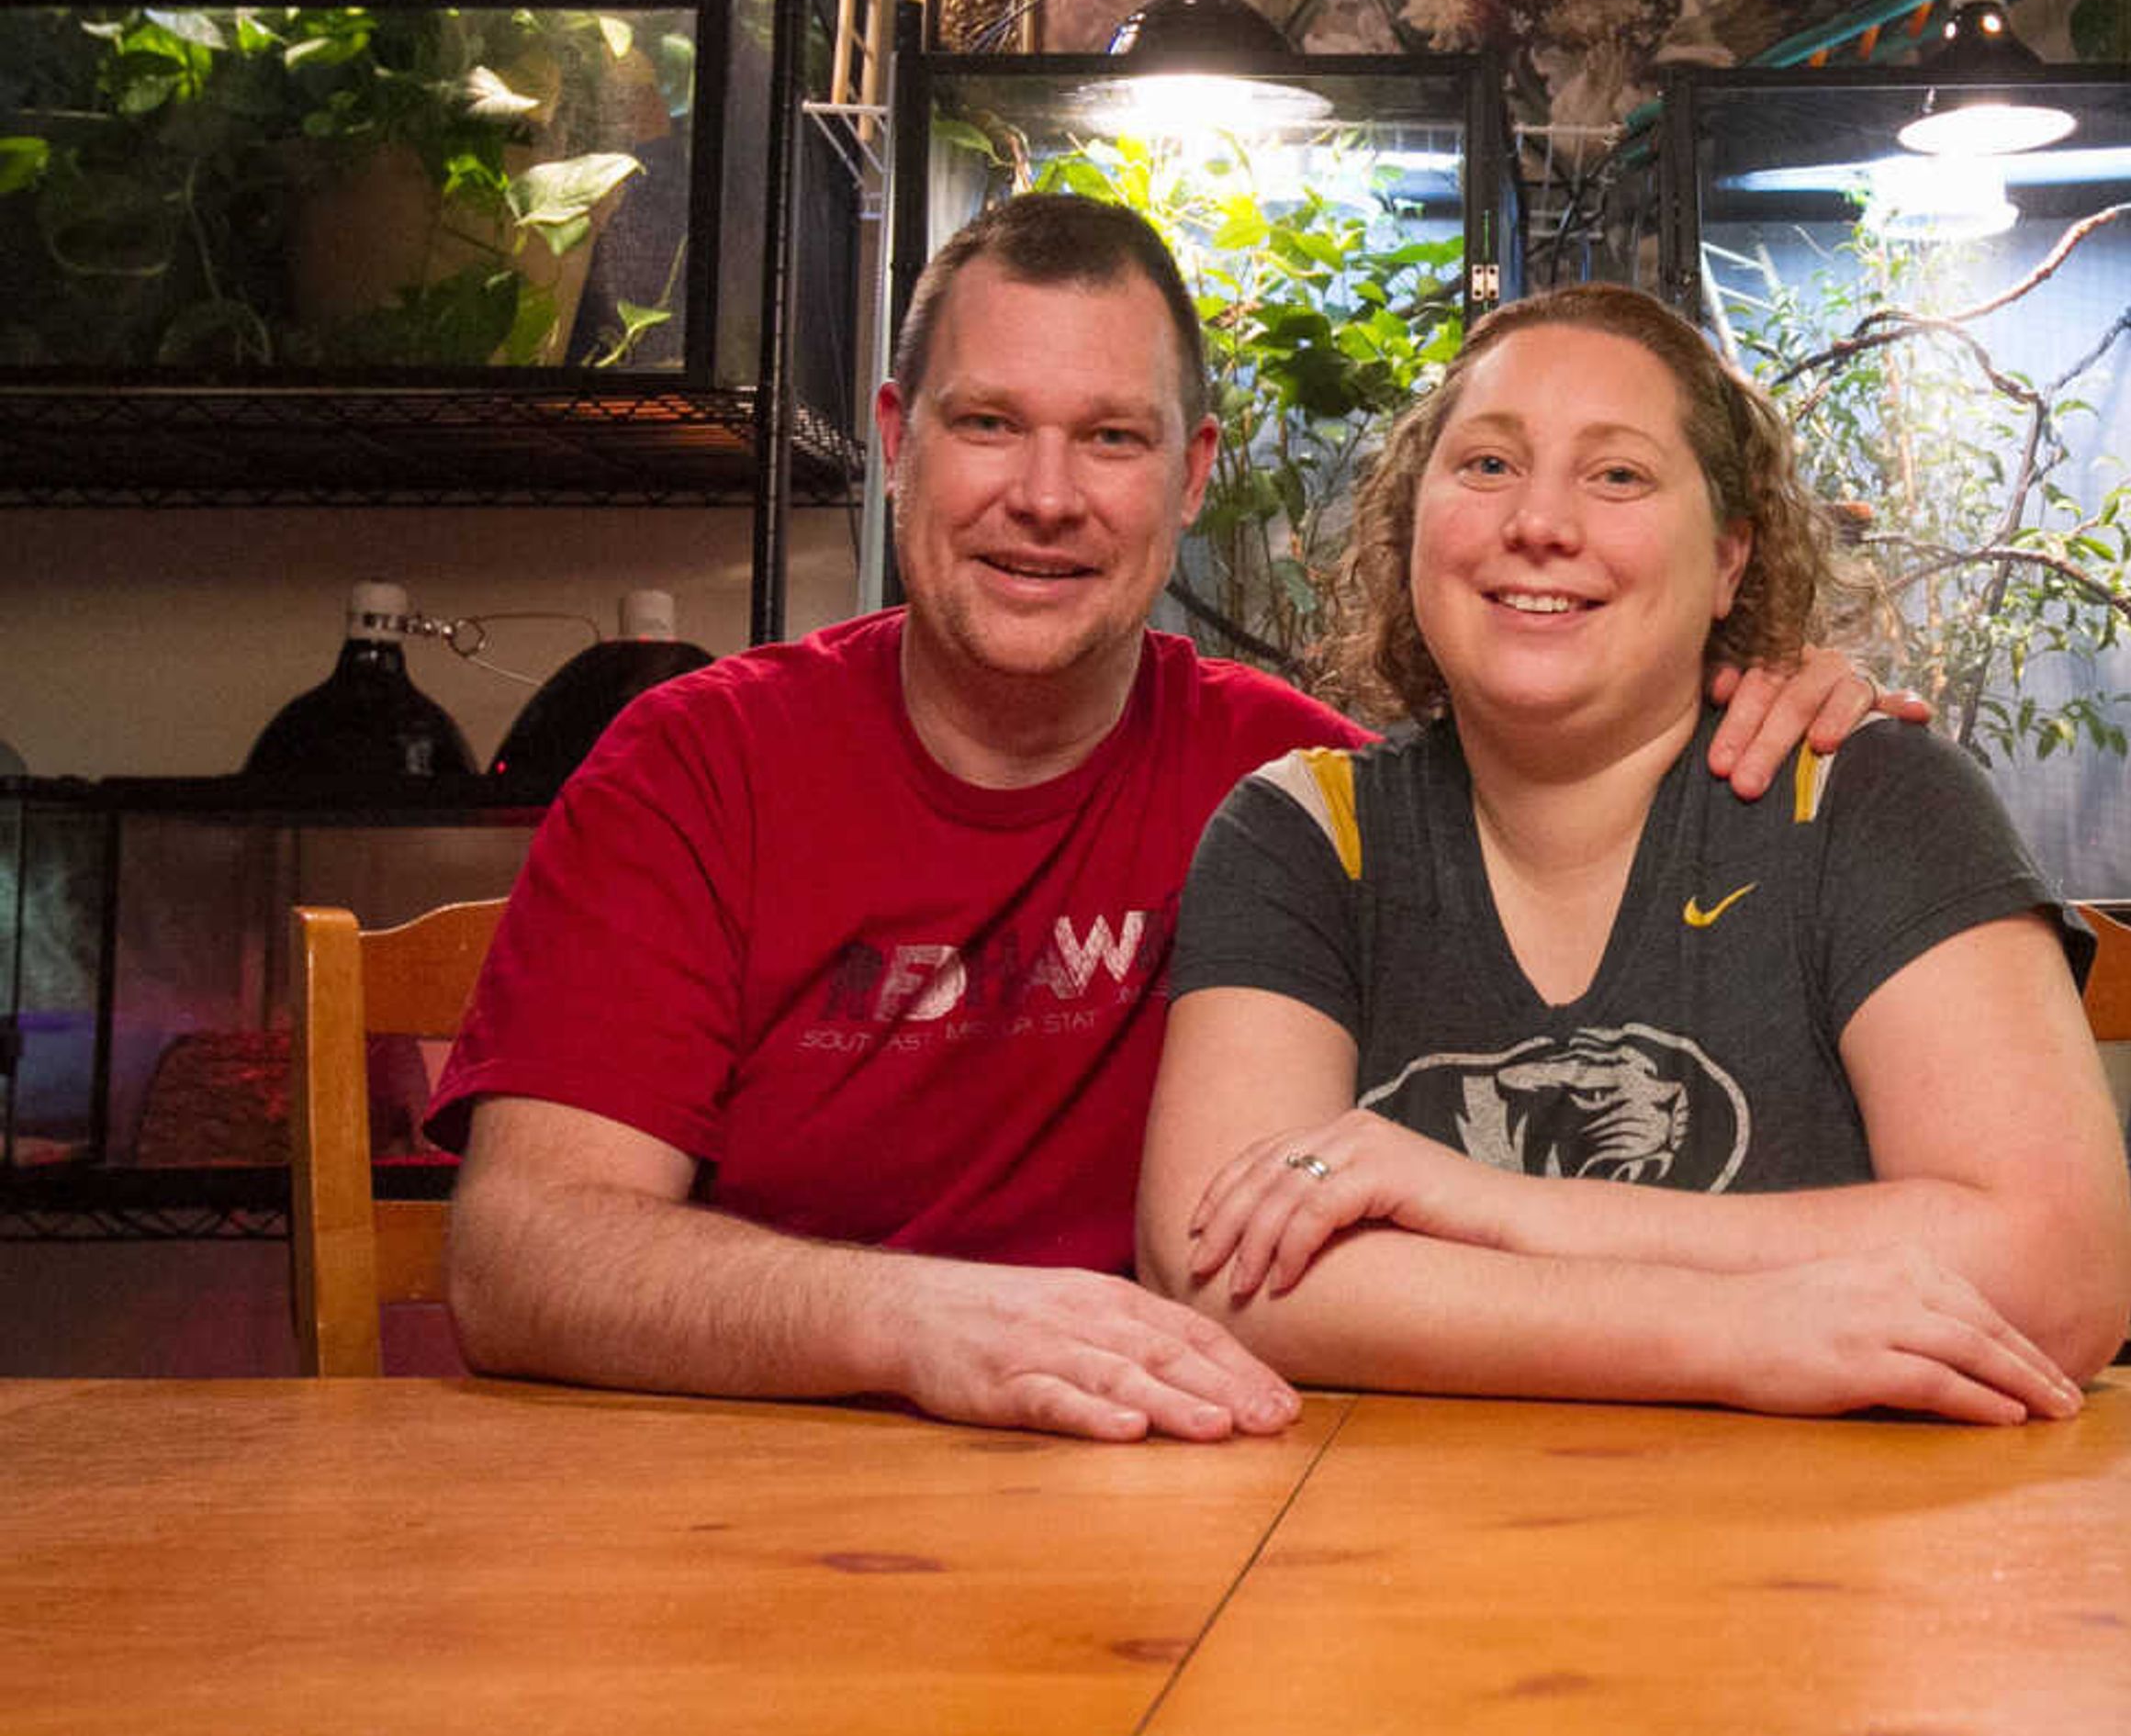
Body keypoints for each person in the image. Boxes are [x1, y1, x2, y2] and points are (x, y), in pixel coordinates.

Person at [428, 196, 1902, 1442]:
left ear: (1194, 469)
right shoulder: (700, 766)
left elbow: (1583, 842)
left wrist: (1751, 700)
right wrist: (920, 1322)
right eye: (991, 423)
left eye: (1115, 438)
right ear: (896, 439)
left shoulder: (1302, 802)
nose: (1046, 497)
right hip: (761, 1490)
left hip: (1197, 1484)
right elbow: (522, 1256)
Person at [1139, 284, 2131, 1424]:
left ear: (1728, 560)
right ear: (1410, 523)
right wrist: (1730, 1330)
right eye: (1485, 466)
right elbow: (1217, 1269)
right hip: (1403, 1571)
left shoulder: (1866, 798)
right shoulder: (1306, 834)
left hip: (1834, 1566)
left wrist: (1489, 1206)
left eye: (1617, 474)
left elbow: (2057, 1276)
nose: (1541, 522)